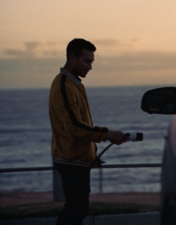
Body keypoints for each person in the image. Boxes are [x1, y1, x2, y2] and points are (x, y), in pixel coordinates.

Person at [49, 38, 127, 225]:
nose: (90, 67)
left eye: (91, 62)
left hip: (77, 159)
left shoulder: (75, 85)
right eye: (87, 61)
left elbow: (79, 125)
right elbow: (74, 126)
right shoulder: (64, 85)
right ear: (72, 58)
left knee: (77, 209)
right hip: (70, 160)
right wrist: (108, 135)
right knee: (76, 209)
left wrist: (91, 153)